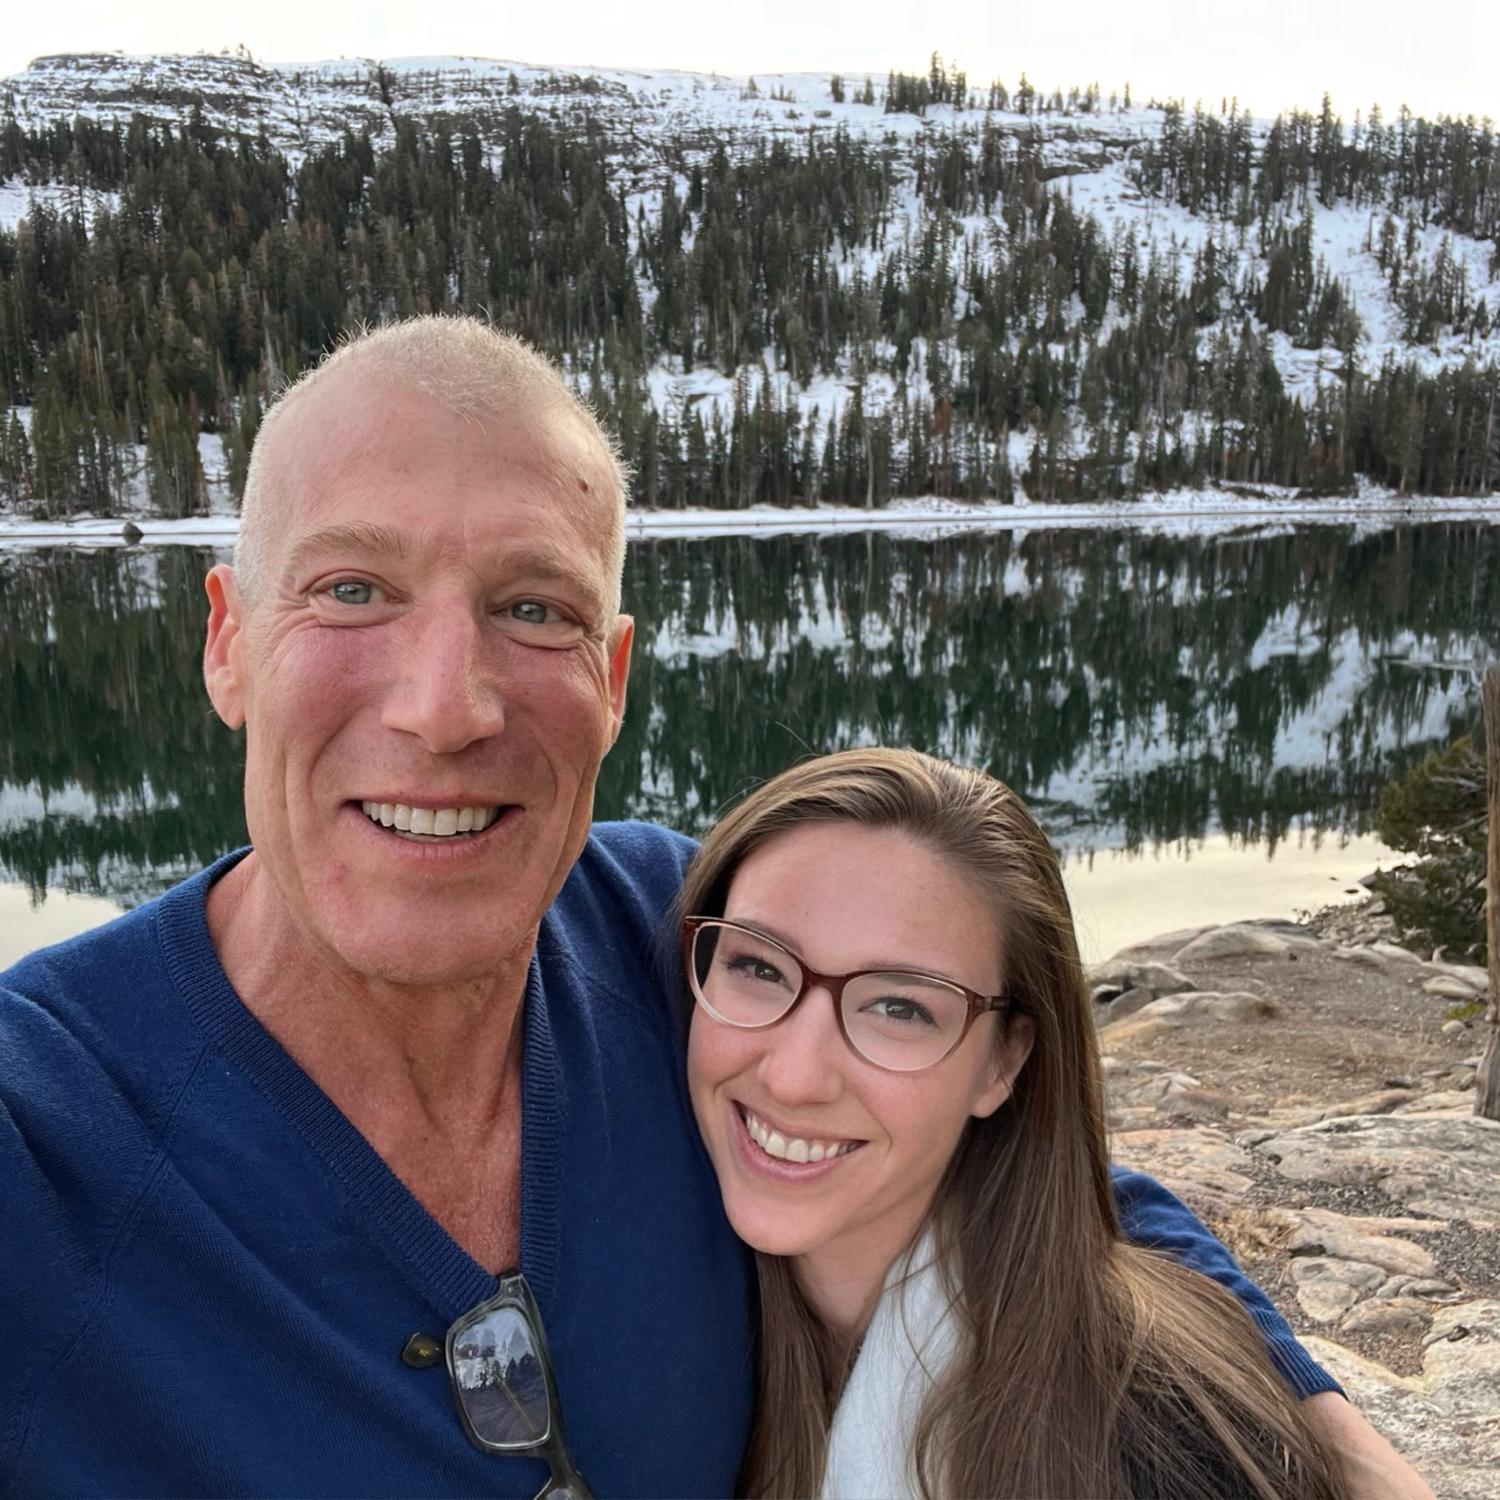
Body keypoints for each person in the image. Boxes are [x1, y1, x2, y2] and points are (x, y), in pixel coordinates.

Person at [0, 317, 1423, 1497]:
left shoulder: (669, 935)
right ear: (229, 644)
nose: (446, 709)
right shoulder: (45, 1128)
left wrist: (1343, 1447)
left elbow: (1033, 1180)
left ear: (614, 677)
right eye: (354, 588)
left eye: (535, 609)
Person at [680, 747, 1436, 1499]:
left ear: (1004, 1062)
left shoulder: (1160, 1449)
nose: (793, 1076)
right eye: (759, 967)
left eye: (899, 1008)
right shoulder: (675, 1279)